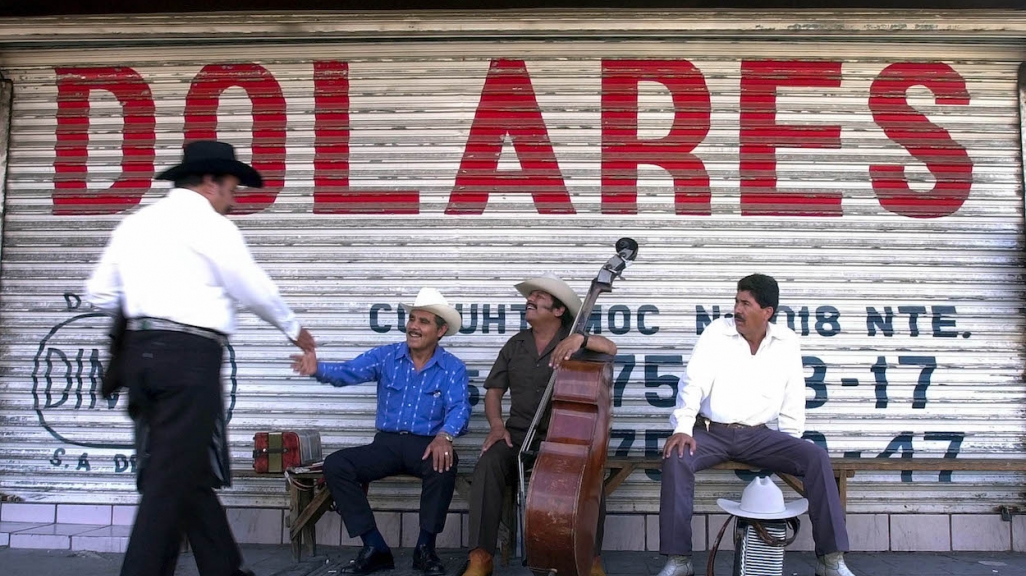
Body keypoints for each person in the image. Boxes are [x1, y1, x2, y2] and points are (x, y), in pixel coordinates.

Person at [85, 140, 316, 576]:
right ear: (210, 182)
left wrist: (147, 299)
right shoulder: (212, 227)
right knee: (168, 480)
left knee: (182, 469)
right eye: (232, 185)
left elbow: (98, 292)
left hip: (140, 358)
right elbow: (253, 287)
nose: (234, 196)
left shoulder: (136, 225)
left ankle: (225, 569)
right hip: (188, 361)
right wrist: (296, 331)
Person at [656, 273, 853, 576]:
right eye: (736, 301)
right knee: (676, 457)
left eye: (745, 304)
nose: (737, 309)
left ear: (767, 312)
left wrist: (791, 443)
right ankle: (678, 560)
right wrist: (683, 426)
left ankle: (830, 559)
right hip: (711, 433)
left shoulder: (786, 342)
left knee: (815, 457)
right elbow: (692, 383)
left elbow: (793, 394)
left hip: (759, 436)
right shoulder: (716, 333)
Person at [291, 287, 471, 576]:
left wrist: (444, 436)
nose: (413, 326)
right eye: (412, 319)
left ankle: (426, 548)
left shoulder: (452, 368)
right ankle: (374, 546)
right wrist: (318, 370)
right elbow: (348, 372)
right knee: (338, 464)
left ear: (441, 330)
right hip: (385, 445)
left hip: (426, 444)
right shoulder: (386, 356)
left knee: (444, 464)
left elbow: (460, 407)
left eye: (423, 322)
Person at [460, 273, 618, 576]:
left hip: (562, 440)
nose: (529, 302)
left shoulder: (574, 343)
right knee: (487, 465)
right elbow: (494, 392)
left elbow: (612, 349)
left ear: (558, 311)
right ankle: (481, 557)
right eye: (530, 298)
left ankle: (592, 558)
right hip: (517, 437)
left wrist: (581, 338)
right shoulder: (515, 344)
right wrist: (496, 426)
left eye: (538, 299)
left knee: (589, 478)